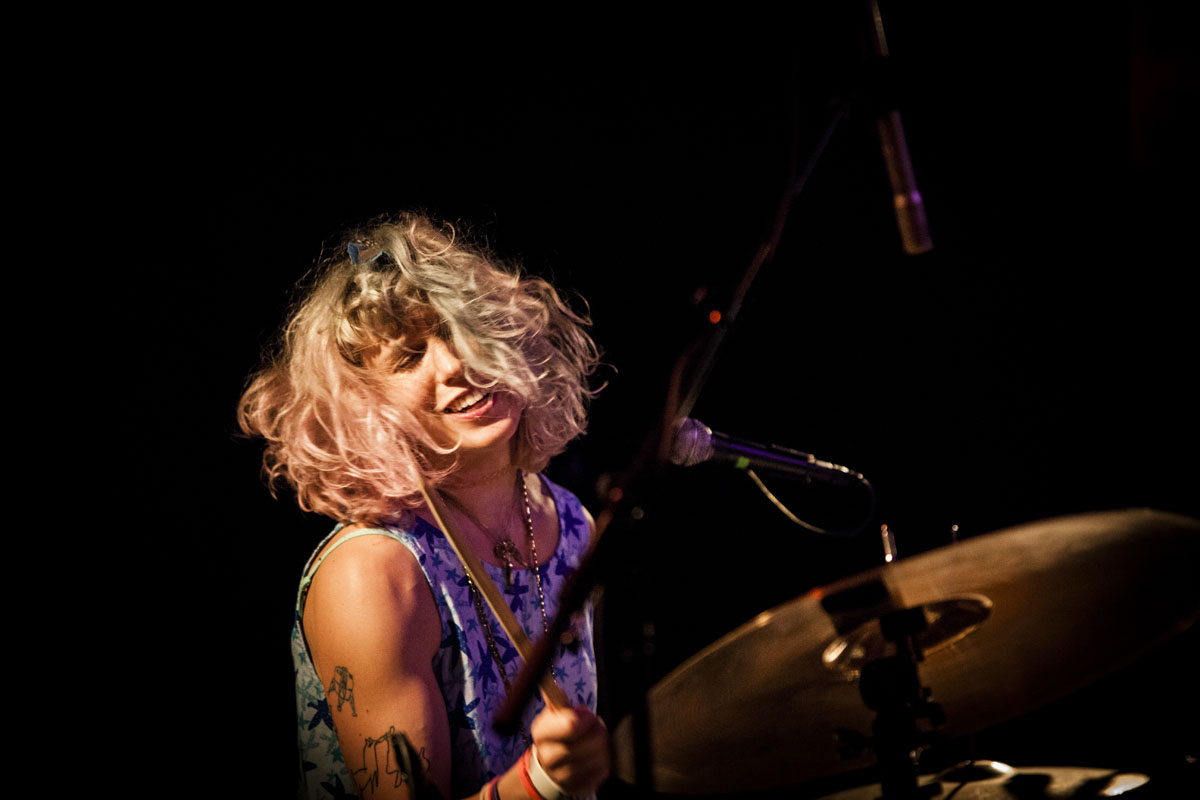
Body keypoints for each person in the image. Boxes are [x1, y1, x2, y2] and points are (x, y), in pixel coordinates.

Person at [239, 213, 610, 800]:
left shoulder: (569, 521)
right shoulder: (373, 573)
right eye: (410, 356)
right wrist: (541, 782)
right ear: (362, 405)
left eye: (466, 333)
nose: (455, 365)